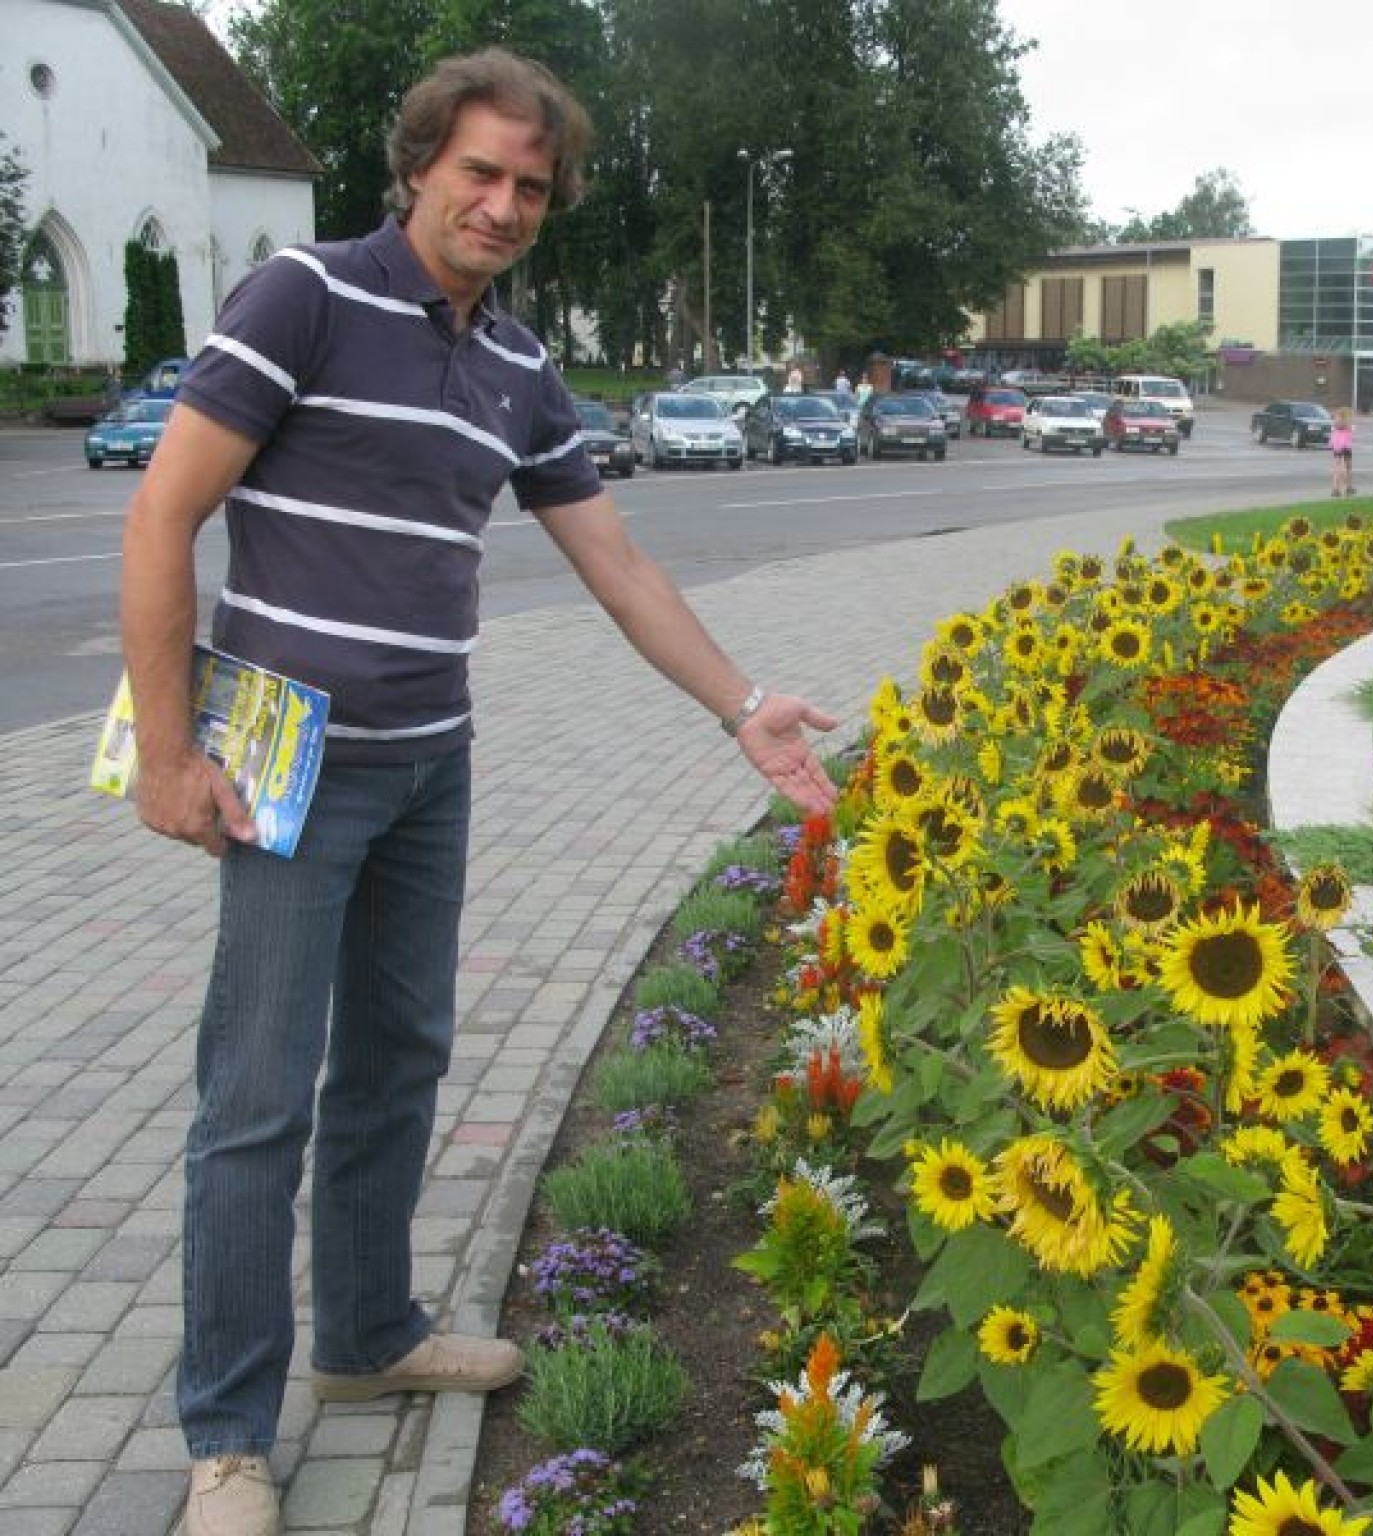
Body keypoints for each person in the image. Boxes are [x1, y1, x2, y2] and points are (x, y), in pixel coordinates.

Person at [118, 49, 839, 1536]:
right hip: (282, 753)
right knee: (254, 1100)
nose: (506, 204)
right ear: (421, 167)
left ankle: (371, 1340)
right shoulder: (304, 298)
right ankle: (230, 1442)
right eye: (481, 173)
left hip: (430, 754)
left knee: (398, 1059)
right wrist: (172, 751)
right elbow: (166, 509)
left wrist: (740, 705)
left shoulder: (516, 368)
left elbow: (619, 562)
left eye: (532, 186)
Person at [1329, 407, 1354, 497]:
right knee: (1348, 467)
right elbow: (1351, 431)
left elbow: (1333, 433)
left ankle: (1335, 489)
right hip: (1346, 446)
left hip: (1337, 446)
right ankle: (1348, 487)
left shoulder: (1335, 424)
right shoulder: (1348, 424)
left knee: (1337, 467)